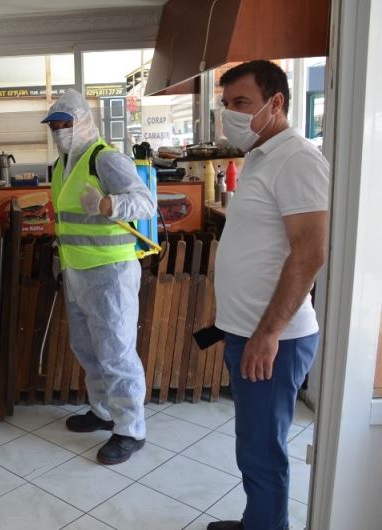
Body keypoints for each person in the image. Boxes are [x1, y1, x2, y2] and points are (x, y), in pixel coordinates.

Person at [208, 61, 329, 530]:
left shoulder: (297, 159)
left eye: (241, 102)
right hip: (249, 331)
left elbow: (310, 252)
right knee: (254, 444)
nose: (231, 114)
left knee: (262, 450)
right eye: (227, 104)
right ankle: (258, 520)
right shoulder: (261, 154)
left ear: (276, 102)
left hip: (273, 340)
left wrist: (268, 333)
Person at [43, 89, 155, 465]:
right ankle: (103, 411)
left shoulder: (105, 159)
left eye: (65, 124)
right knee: (88, 348)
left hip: (110, 272)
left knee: (116, 352)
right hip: (76, 270)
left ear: (83, 123)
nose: (59, 131)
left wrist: (108, 204)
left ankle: (130, 429)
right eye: (54, 126)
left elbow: (145, 202)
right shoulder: (60, 166)